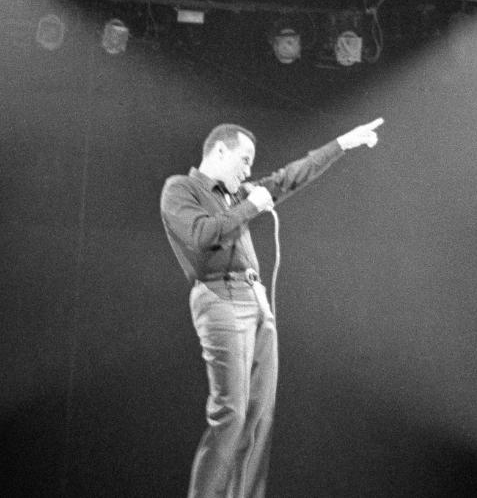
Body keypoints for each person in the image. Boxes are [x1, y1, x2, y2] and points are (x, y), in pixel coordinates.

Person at [160, 118, 384, 498]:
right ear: (219, 151)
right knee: (230, 413)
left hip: (256, 300)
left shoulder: (238, 195)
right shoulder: (181, 189)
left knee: (258, 415)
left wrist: (340, 144)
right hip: (219, 297)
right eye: (244, 160)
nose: (248, 170)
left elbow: (288, 178)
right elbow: (200, 235)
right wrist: (249, 206)